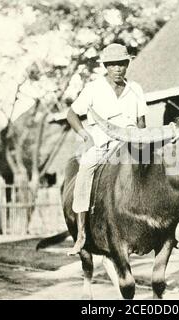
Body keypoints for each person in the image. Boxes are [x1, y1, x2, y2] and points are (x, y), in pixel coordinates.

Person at [66, 43, 149, 255]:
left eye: (122, 64)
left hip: (132, 142)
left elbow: (141, 122)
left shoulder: (136, 89)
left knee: (160, 169)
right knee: (85, 170)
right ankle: (82, 233)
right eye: (112, 65)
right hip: (102, 143)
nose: (118, 69)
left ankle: (162, 231)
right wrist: (86, 136)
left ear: (127, 64)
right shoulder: (93, 89)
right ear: (105, 66)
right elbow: (71, 114)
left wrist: (144, 145)